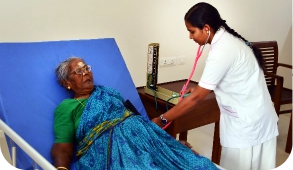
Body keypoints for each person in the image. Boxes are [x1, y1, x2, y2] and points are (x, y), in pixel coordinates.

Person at [152, 2, 279, 170]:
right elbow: (227, 78)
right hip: (259, 117)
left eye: (192, 31)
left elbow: (196, 99)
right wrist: (198, 88)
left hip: (247, 127)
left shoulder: (222, 50)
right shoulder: (228, 41)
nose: (190, 37)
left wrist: (162, 120)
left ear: (206, 28)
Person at [50, 56, 218, 170]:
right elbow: (62, 147)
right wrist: (62, 168)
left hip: (145, 139)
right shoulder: (67, 107)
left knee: (194, 164)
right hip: (110, 150)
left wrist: (164, 141)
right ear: (67, 83)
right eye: (78, 71)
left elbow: (135, 118)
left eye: (86, 68)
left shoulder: (108, 92)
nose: (86, 72)